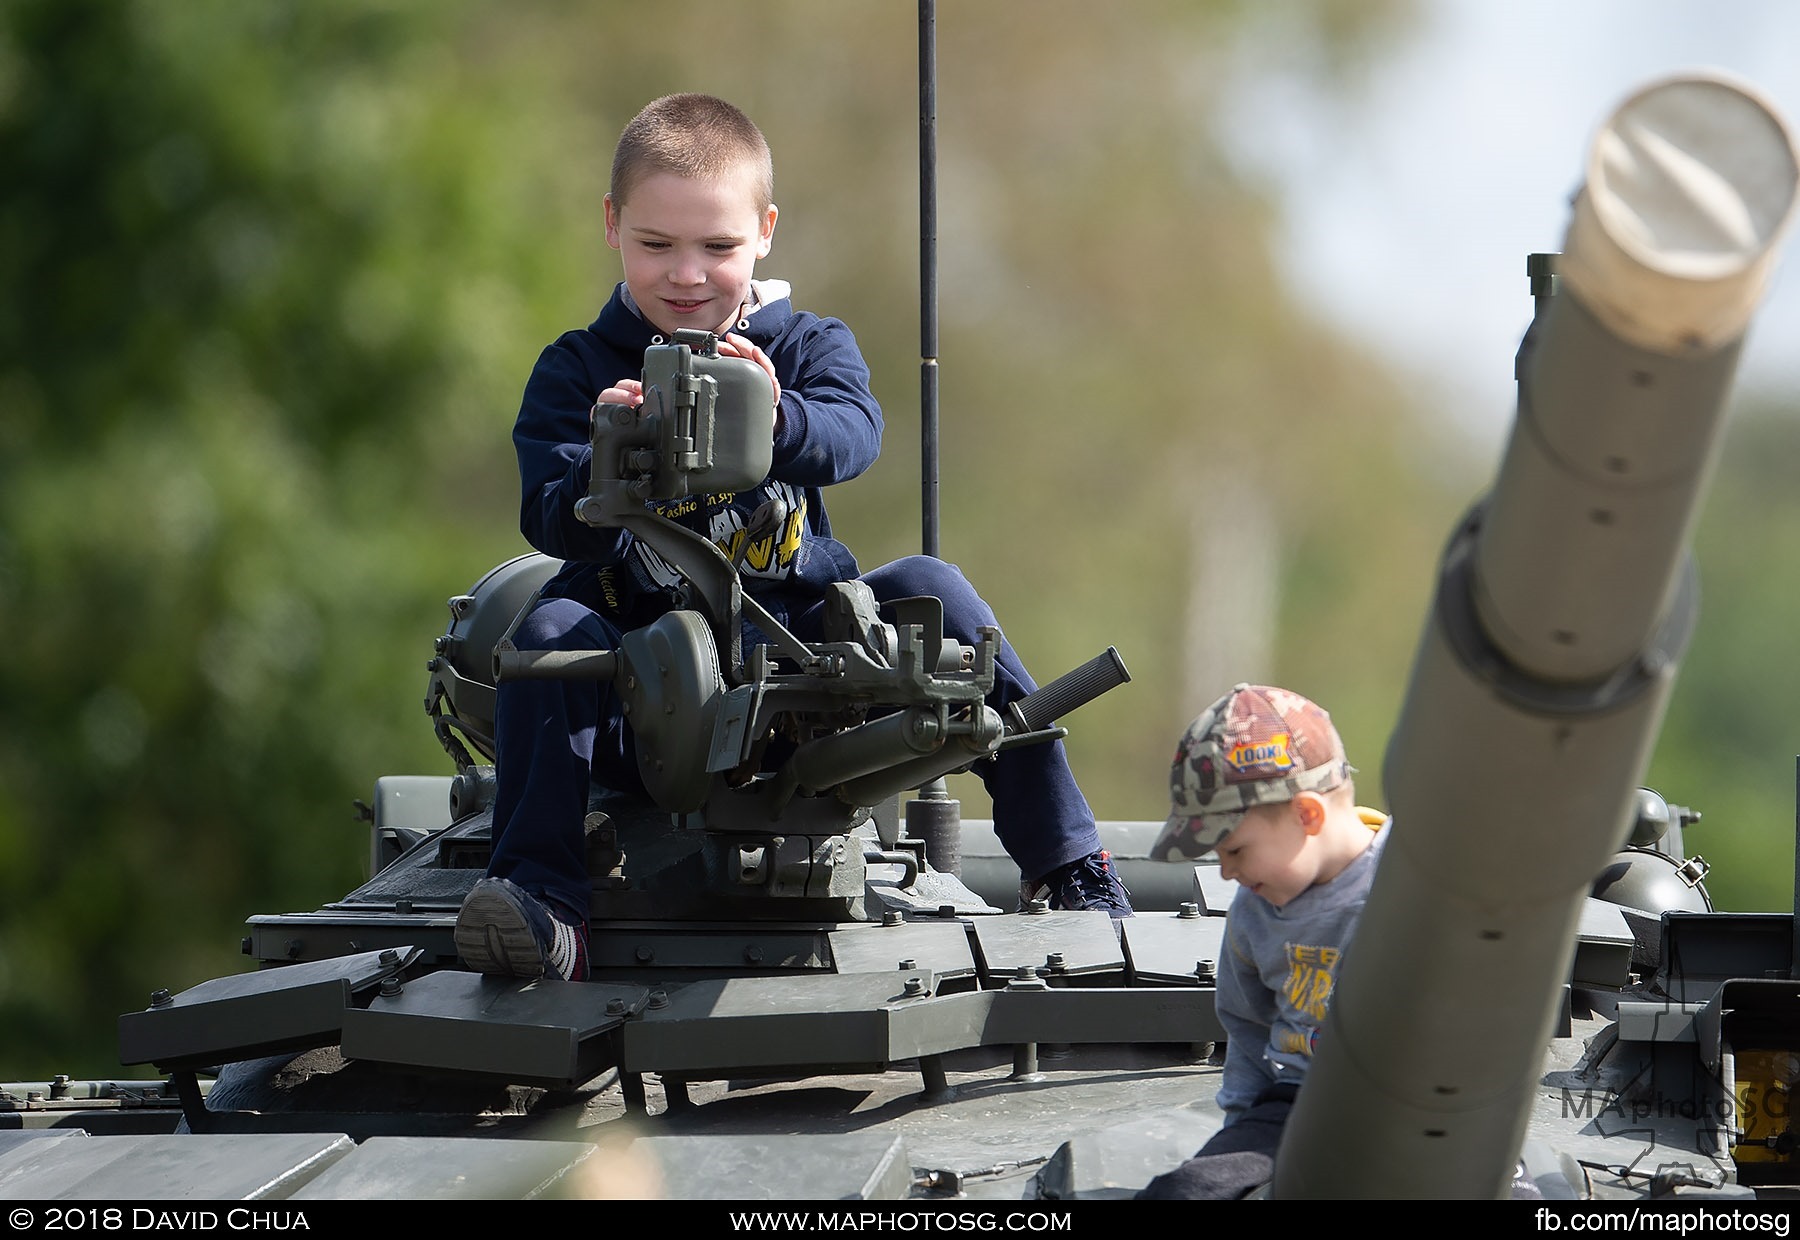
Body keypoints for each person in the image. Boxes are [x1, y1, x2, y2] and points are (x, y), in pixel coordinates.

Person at [454, 93, 1131, 984]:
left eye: (718, 247)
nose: (687, 275)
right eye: (657, 245)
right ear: (613, 226)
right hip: (638, 675)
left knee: (937, 586)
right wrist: (603, 467)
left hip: (805, 652)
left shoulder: (804, 343)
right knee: (544, 638)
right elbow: (545, 512)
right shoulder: (578, 367)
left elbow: (857, 435)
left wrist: (777, 415)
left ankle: (1071, 868)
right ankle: (545, 904)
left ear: (765, 232)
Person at [1137, 683, 1385, 1200]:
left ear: (1307, 816)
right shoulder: (1252, 912)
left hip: (1424, 1107)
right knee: (1184, 1192)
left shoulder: (1421, 887)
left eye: (1236, 849)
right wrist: (1238, 1135)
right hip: (1296, 1104)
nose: (1226, 872)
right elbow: (1247, 1025)